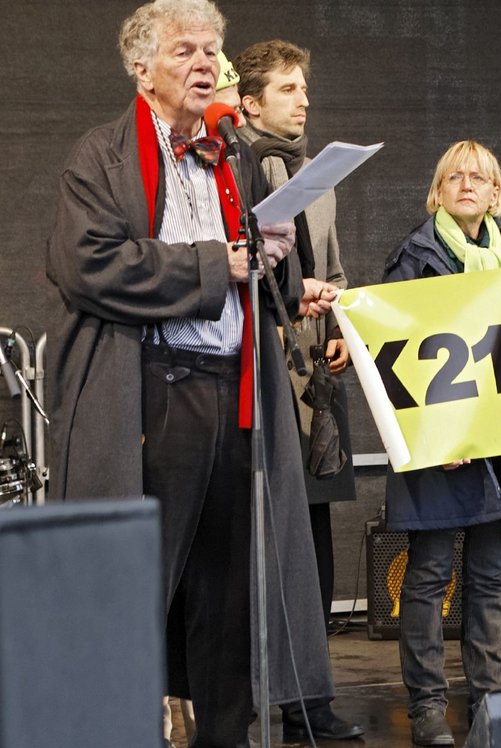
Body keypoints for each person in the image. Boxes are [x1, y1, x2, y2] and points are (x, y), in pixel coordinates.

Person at [44, 1, 334, 745]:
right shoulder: (102, 155)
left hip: (235, 391)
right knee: (139, 585)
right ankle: (114, 727)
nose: (207, 64)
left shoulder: (231, 155)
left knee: (230, 592)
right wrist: (222, 263)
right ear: (141, 68)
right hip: (153, 392)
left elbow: (250, 270)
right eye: (186, 51)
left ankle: (224, 734)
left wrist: (278, 268)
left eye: (214, 51)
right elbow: (88, 266)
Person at [381, 140, 501, 747]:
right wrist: (438, 434)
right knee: (428, 576)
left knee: (485, 577)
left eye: (479, 177)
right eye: (454, 176)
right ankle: (428, 704)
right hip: (442, 446)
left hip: (499, 447)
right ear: (438, 190)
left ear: (496, 192)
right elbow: (399, 353)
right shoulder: (414, 257)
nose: (467, 184)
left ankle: (488, 700)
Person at [233, 39, 362, 742]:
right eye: (287, 88)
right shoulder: (235, 171)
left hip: (318, 386)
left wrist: (339, 322)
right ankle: (252, 696)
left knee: (314, 540)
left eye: (304, 87)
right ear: (250, 101)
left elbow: (333, 270)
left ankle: (311, 699)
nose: (303, 99)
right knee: (261, 540)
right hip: (262, 384)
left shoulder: (319, 175)